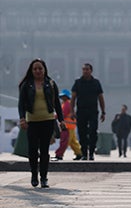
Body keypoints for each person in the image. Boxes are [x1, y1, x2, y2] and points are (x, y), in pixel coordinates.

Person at [17, 58, 66, 188]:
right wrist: (22, 118)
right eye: (35, 69)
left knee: (44, 150)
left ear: (44, 70)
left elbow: (57, 103)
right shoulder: (27, 84)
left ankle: (44, 178)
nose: (38, 71)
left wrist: (61, 120)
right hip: (32, 121)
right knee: (32, 150)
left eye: (40, 68)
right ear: (31, 71)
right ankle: (34, 175)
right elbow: (21, 104)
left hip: (48, 120)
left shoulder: (51, 83)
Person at [71, 63, 106, 161]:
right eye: (84, 69)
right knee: (82, 133)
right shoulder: (78, 82)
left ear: (91, 71)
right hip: (81, 111)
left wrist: (103, 112)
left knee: (93, 132)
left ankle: (91, 153)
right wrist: (72, 111)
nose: (85, 71)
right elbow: (73, 97)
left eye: (87, 69)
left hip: (93, 111)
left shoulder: (96, 83)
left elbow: (101, 98)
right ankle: (84, 153)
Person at [52, 89, 83, 161]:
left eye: (63, 96)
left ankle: (59, 155)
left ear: (66, 96)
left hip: (67, 127)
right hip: (70, 126)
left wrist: (54, 116)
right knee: (73, 142)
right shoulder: (66, 103)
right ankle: (79, 153)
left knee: (65, 141)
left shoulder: (67, 104)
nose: (62, 97)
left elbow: (63, 114)